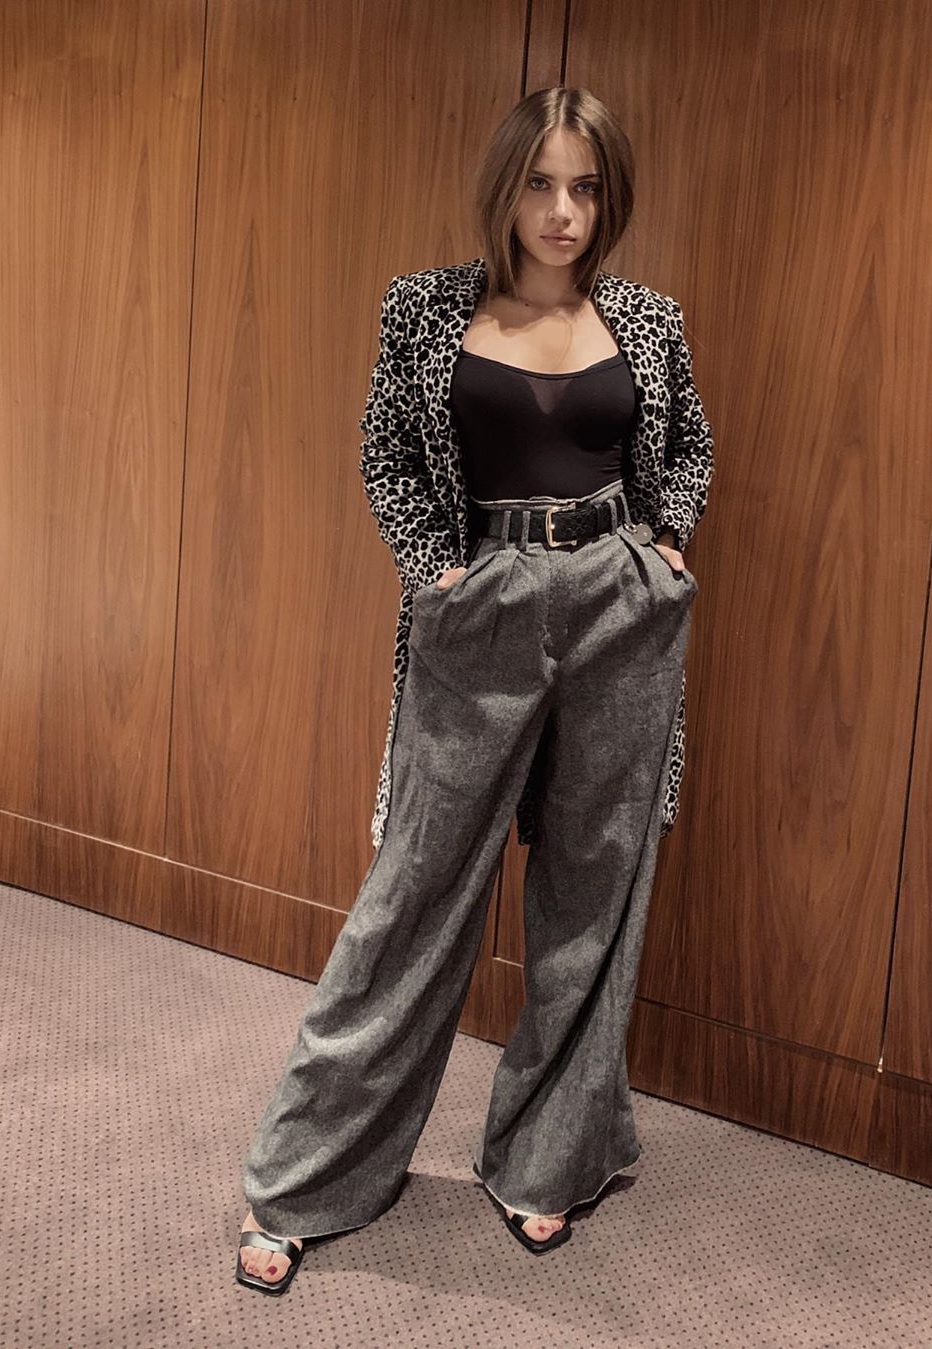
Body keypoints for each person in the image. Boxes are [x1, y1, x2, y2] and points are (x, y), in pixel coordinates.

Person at [235, 84, 714, 1293]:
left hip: (619, 603)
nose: (563, 212)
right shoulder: (426, 309)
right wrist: (435, 569)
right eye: (542, 182)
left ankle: (549, 1158)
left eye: (586, 187)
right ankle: (305, 1178)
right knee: (416, 889)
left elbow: (689, 445)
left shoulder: (646, 321)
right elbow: (386, 452)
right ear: (506, 184)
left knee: (593, 887)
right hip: (482, 600)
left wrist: (666, 543)